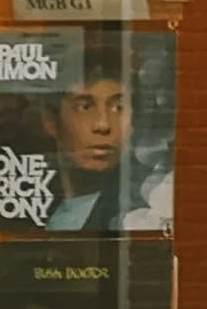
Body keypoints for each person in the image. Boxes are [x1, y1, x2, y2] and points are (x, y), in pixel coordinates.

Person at [41, 42, 169, 232]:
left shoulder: (151, 206)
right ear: (50, 121)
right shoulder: (36, 208)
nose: (103, 125)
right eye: (85, 107)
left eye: (119, 108)